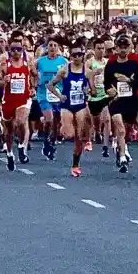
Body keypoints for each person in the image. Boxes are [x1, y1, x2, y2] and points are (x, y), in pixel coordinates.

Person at [48, 44, 91, 177]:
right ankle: (62, 129)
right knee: (69, 135)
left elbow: (93, 90)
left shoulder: (87, 71)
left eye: (80, 55)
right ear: (70, 57)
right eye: (74, 55)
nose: (77, 57)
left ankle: (75, 164)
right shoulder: (64, 70)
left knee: (79, 136)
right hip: (67, 105)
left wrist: (88, 91)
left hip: (80, 105)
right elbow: (50, 85)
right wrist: (60, 96)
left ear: (83, 56)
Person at [104, 35, 138, 173]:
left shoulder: (135, 65)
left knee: (125, 130)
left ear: (129, 48)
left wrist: (128, 80)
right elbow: (106, 84)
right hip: (115, 101)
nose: (122, 50)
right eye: (120, 47)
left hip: (130, 101)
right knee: (120, 128)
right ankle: (122, 158)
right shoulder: (111, 65)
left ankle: (122, 147)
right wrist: (110, 91)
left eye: (125, 47)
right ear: (116, 48)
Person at [0, 39, 35, 169]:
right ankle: (9, 154)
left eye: (19, 49)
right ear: (9, 50)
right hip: (8, 100)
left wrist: (33, 87)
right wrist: (4, 80)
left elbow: (36, 75)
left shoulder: (28, 63)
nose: (16, 52)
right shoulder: (4, 64)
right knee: (9, 130)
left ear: (22, 50)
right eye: (13, 49)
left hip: (23, 98)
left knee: (20, 121)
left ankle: (20, 146)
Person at [35, 39, 67, 161]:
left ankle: (51, 143)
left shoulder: (63, 61)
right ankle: (46, 140)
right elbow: (31, 72)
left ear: (58, 47)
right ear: (46, 48)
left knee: (57, 122)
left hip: (58, 94)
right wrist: (34, 82)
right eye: (50, 45)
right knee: (49, 119)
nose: (52, 47)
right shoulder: (40, 61)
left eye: (55, 45)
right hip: (44, 93)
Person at [86, 37, 112, 158]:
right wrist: (94, 72)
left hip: (105, 94)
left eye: (103, 48)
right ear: (94, 49)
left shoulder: (108, 62)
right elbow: (85, 75)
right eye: (98, 48)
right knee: (95, 120)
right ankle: (97, 132)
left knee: (106, 119)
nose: (101, 51)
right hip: (93, 95)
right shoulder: (90, 62)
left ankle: (106, 147)